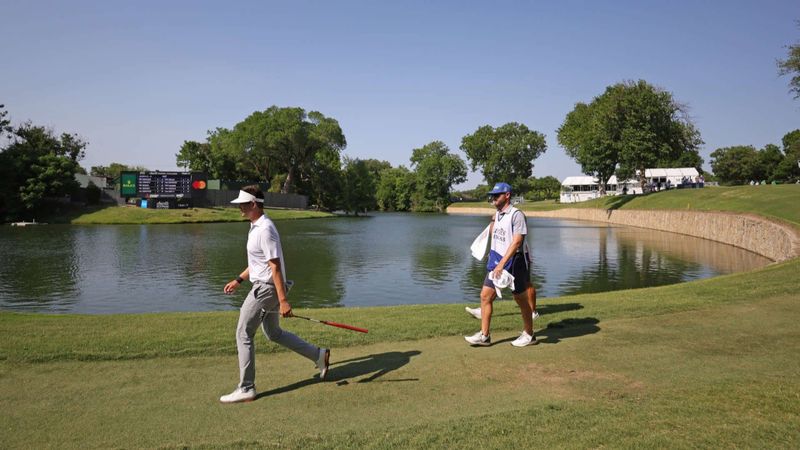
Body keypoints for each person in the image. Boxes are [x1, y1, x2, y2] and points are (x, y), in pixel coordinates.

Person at [219, 185, 330, 403]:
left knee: (243, 333)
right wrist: (239, 280)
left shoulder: (265, 229)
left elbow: (274, 266)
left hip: (265, 289)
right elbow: (258, 262)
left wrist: (283, 301)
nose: (239, 208)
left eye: (242, 204)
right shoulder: (256, 227)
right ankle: (318, 355)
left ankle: (246, 387)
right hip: (264, 286)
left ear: (253, 204)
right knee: (273, 333)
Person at [465, 182, 537, 347]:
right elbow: (494, 233)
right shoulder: (497, 214)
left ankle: (529, 334)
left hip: (513, 262)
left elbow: (517, 241)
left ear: (507, 195)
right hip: (497, 261)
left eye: (496, 196)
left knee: (519, 298)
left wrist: (502, 263)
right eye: (492, 196)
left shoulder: (516, 214)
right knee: (485, 296)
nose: (493, 199)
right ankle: (485, 336)